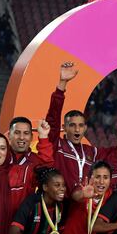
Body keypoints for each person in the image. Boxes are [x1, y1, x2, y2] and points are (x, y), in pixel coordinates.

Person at [45, 62, 97, 194]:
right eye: (72, 125)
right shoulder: (57, 145)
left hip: (81, 205)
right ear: (64, 127)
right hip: (60, 203)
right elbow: (53, 117)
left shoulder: (92, 152)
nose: (77, 130)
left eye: (80, 125)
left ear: (85, 128)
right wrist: (62, 84)